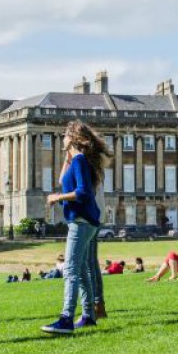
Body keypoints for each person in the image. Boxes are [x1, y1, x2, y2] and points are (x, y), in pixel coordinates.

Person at [41, 120, 106, 335]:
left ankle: (66, 318)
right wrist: (67, 154)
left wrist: (57, 198)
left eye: (64, 135)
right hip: (86, 221)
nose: (62, 138)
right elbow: (62, 180)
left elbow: (83, 192)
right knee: (83, 270)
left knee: (70, 269)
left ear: (72, 137)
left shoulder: (79, 160)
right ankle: (88, 316)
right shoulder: (77, 160)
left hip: (81, 221)